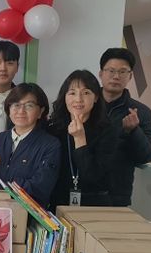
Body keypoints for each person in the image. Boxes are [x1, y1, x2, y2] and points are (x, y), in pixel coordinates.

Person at [0, 83, 60, 207]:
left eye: (29, 105)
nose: (21, 111)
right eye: (16, 105)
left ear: (40, 111)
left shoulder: (50, 145)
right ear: (9, 109)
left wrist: (3, 188)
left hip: (29, 214)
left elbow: (41, 186)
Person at [48, 70, 117, 209]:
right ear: (64, 97)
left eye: (86, 93)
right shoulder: (53, 129)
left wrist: (80, 139)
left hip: (94, 206)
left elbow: (94, 176)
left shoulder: (108, 130)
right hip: (58, 203)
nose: (78, 99)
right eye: (72, 93)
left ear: (96, 97)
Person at [99, 48, 151, 206]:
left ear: (130, 76)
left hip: (116, 196)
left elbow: (148, 155)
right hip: (80, 191)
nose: (116, 76)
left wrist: (134, 131)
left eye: (122, 71)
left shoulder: (141, 112)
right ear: (101, 73)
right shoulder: (86, 105)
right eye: (111, 70)